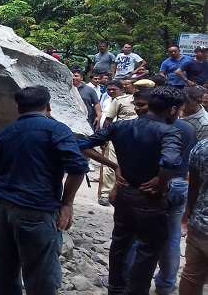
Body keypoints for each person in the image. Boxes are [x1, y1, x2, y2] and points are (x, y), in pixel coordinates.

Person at [77, 86, 184, 295]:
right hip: (151, 200)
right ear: (172, 110)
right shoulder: (170, 132)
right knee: (147, 252)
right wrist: (161, 181)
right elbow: (171, 161)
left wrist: (114, 165)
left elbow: (85, 145)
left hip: (125, 195)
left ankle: (115, 290)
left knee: (119, 244)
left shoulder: (120, 127)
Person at [0, 86, 89, 295]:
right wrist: (67, 203)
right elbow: (78, 168)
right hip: (38, 210)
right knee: (41, 273)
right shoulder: (57, 130)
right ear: (48, 106)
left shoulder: (5, 132)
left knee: (3, 269)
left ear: (18, 107)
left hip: (4, 208)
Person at [124, 88, 196, 295]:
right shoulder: (188, 128)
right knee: (172, 237)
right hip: (180, 184)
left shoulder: (152, 127)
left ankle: (129, 278)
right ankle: (165, 284)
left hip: (155, 184)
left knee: (138, 235)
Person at [97, 80, 138, 206]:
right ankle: (105, 194)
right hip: (119, 137)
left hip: (138, 139)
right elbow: (108, 120)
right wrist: (103, 137)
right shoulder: (120, 101)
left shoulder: (152, 103)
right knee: (111, 164)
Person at [179, 136, 208, 294]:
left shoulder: (202, 147)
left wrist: (189, 214)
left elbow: (193, 188)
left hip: (200, 224)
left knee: (191, 276)